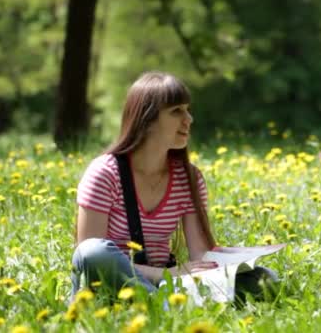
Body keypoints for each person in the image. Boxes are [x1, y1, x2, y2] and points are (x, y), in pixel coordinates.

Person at [71, 71, 277, 303]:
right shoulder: (104, 173)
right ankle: (164, 307)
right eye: (176, 111)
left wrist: (227, 264)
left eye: (187, 110)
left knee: (265, 278)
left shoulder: (188, 178)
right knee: (93, 251)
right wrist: (168, 274)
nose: (188, 119)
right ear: (146, 120)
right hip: (113, 284)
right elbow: (85, 257)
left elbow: (199, 253)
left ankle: (158, 302)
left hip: (169, 282)